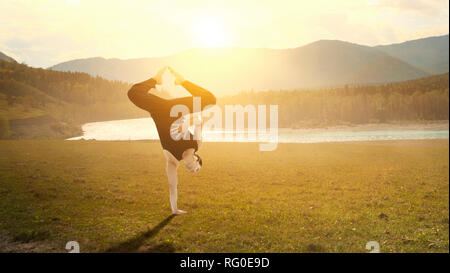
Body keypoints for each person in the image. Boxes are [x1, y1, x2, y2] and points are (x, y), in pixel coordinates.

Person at [127, 66, 216, 215]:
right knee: (210, 100)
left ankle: (155, 80)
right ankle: (182, 82)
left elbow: (173, 186)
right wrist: (186, 124)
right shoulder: (197, 143)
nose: (193, 171)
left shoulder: (172, 161)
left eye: (192, 171)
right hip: (177, 109)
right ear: (196, 158)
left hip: (159, 110)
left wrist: (175, 209)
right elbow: (199, 119)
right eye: (196, 168)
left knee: (133, 93)